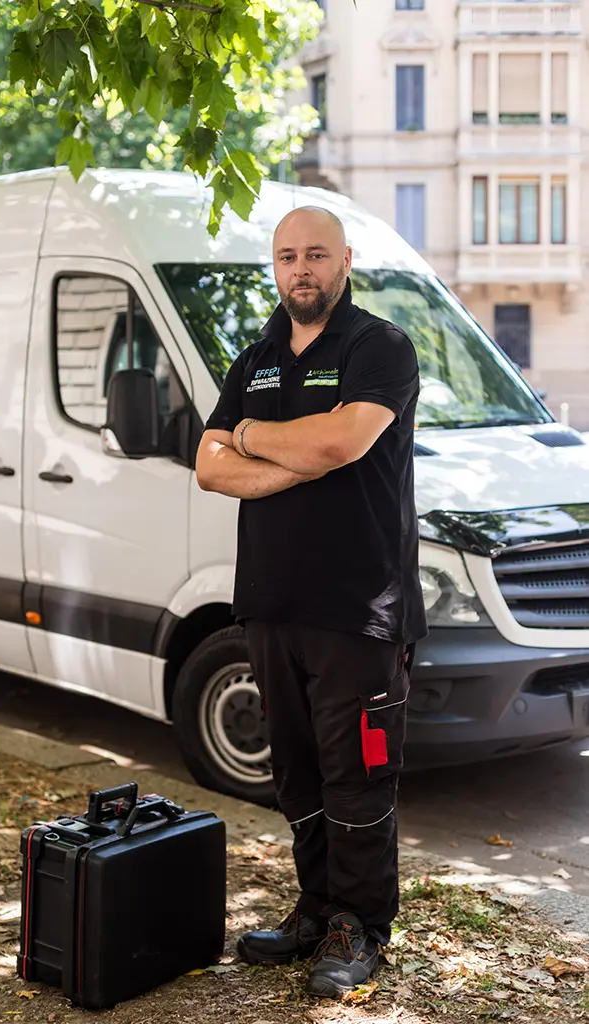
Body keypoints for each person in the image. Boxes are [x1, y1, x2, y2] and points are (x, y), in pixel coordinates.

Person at [195, 206, 428, 1000]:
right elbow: (207, 464)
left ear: (344, 261)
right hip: (269, 601)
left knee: (355, 774)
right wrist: (288, 447)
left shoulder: (379, 347)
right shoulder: (255, 356)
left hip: (358, 607)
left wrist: (252, 436)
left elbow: (343, 443)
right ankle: (315, 909)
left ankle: (359, 928)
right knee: (293, 771)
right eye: (288, 256)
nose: (302, 268)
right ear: (274, 266)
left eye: (316, 255)